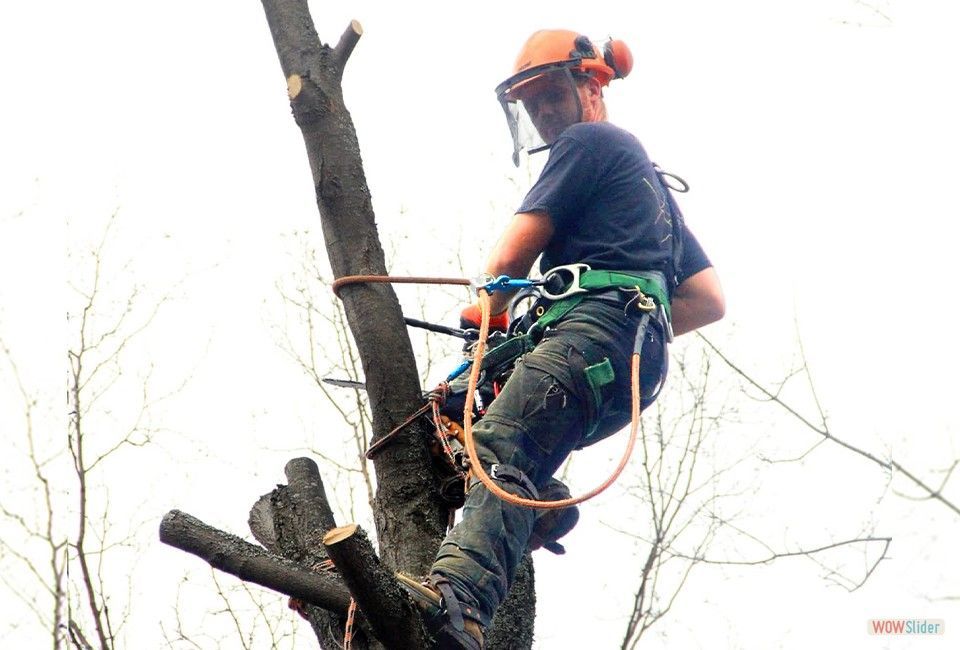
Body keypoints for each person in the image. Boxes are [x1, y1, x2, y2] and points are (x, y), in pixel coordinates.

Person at [397, 29, 725, 649]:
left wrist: (491, 307)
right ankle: (543, 499)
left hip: (593, 338)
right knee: (467, 407)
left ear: (592, 83)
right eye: (532, 104)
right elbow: (707, 300)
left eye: (550, 95)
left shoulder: (590, 141)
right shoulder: (650, 188)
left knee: (500, 444)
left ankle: (460, 600)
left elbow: (519, 243)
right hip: (633, 367)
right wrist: (637, 330)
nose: (544, 114)